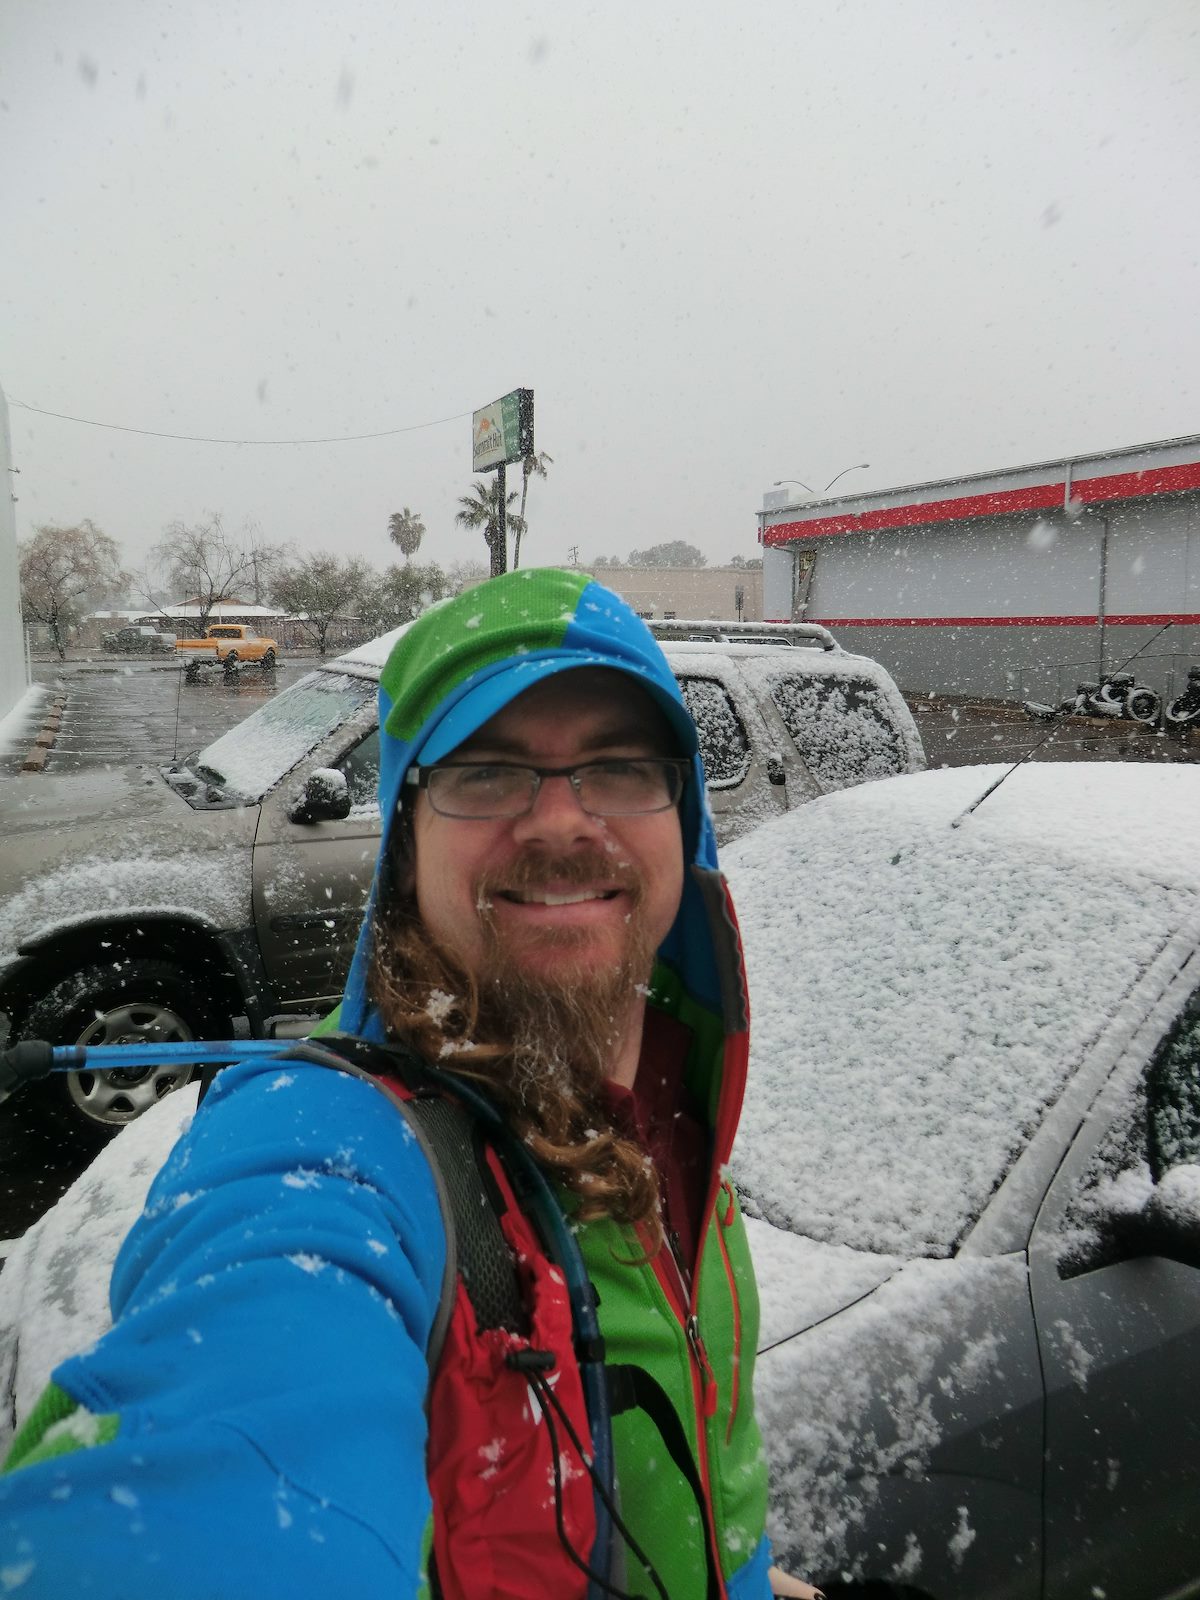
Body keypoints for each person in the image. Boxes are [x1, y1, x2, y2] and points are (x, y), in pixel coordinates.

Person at [0, 568, 814, 1600]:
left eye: (617, 767)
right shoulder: (333, 1151)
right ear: (406, 843)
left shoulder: (677, 1100)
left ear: (681, 816)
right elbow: (233, 1448)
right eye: (486, 770)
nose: (563, 821)